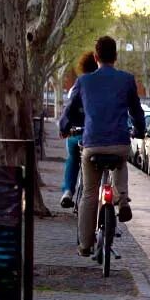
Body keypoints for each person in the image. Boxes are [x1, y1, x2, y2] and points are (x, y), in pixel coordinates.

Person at [59, 36, 146, 257]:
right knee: (121, 161)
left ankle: (85, 245)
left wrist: (64, 127)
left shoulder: (84, 81)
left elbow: (69, 110)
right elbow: (137, 111)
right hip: (119, 142)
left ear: (95, 57)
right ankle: (122, 198)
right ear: (116, 57)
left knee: (89, 193)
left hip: (93, 144)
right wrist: (140, 131)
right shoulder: (127, 79)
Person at [60, 51, 98, 208]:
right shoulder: (103, 86)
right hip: (96, 137)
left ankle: (68, 190)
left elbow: (69, 109)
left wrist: (64, 128)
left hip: (77, 133)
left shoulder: (79, 83)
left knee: (72, 158)